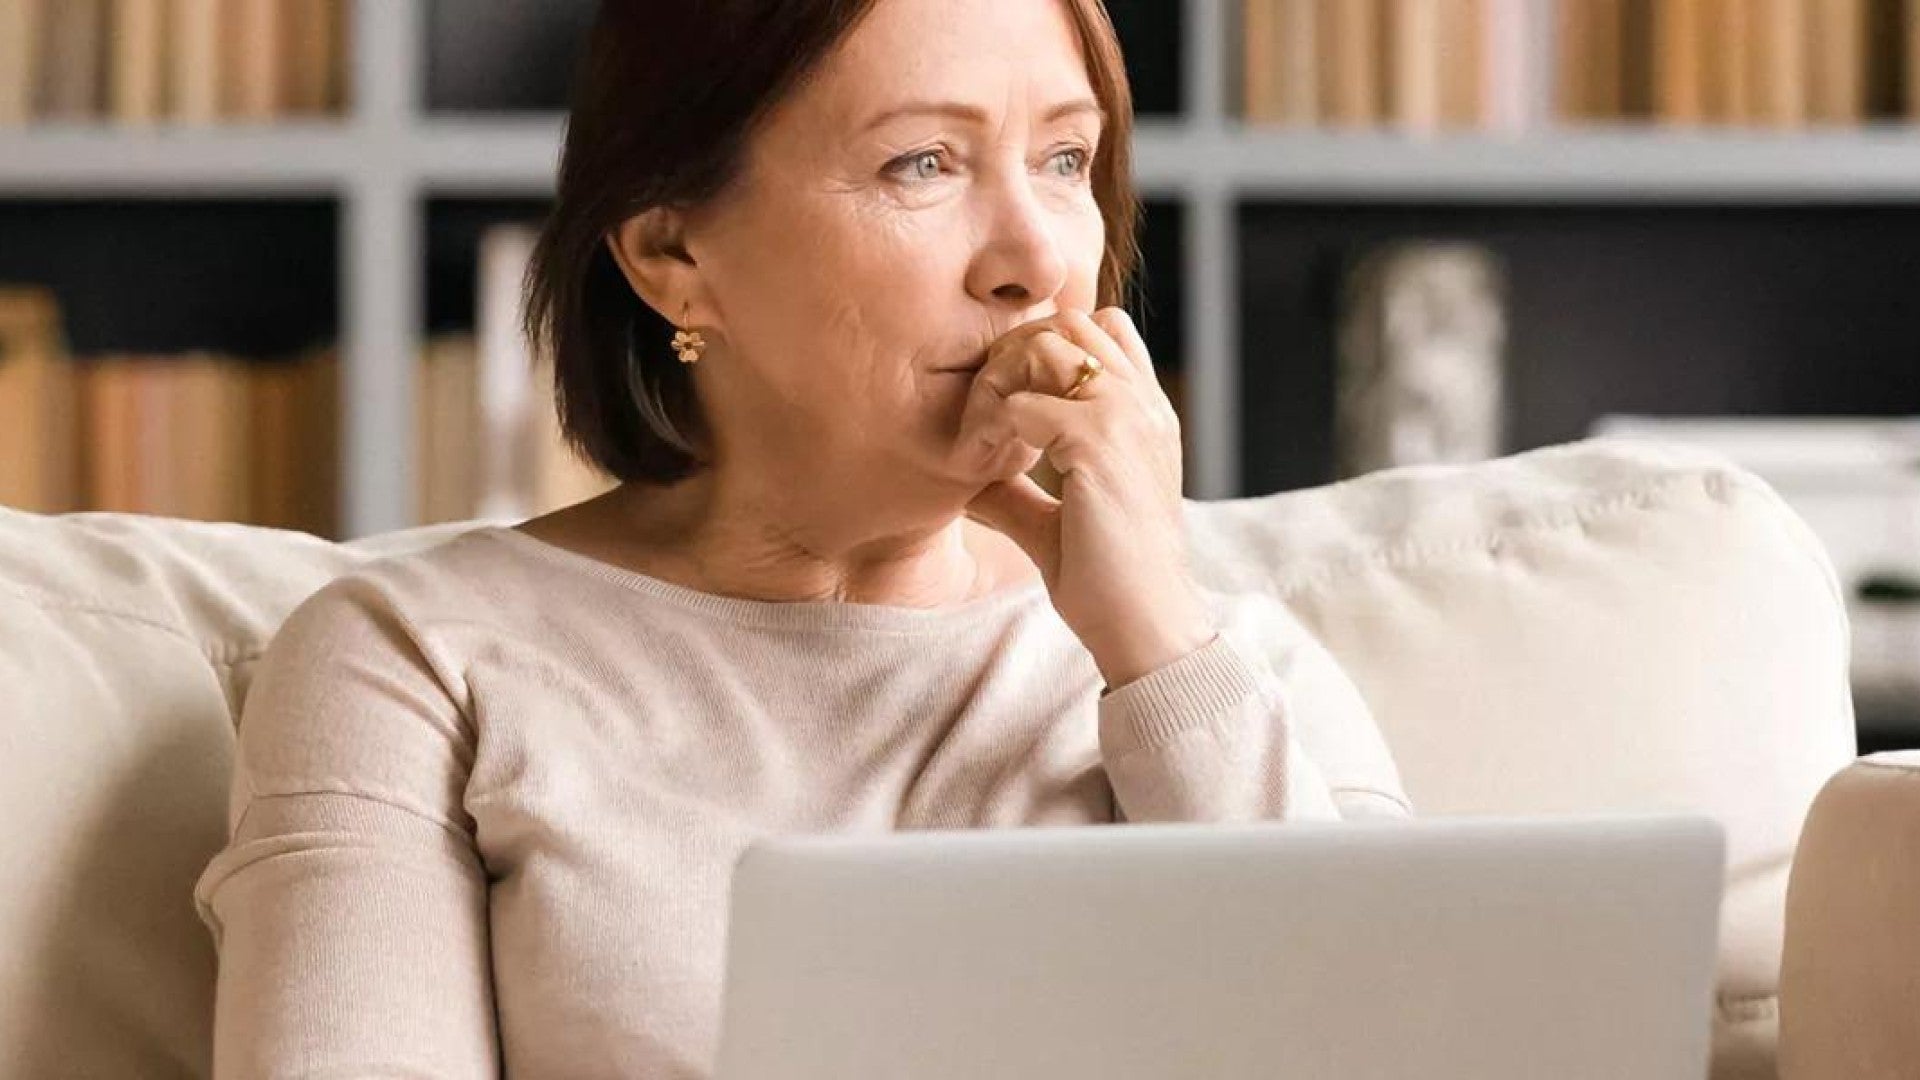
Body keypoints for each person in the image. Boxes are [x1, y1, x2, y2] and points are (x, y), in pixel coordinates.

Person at [192, 0, 1412, 1075]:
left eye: (1065, 159)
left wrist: (1158, 651)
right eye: (923, 164)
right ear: (673, 254)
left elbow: (1391, 1043)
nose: (1039, 259)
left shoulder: (1233, 670)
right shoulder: (411, 659)